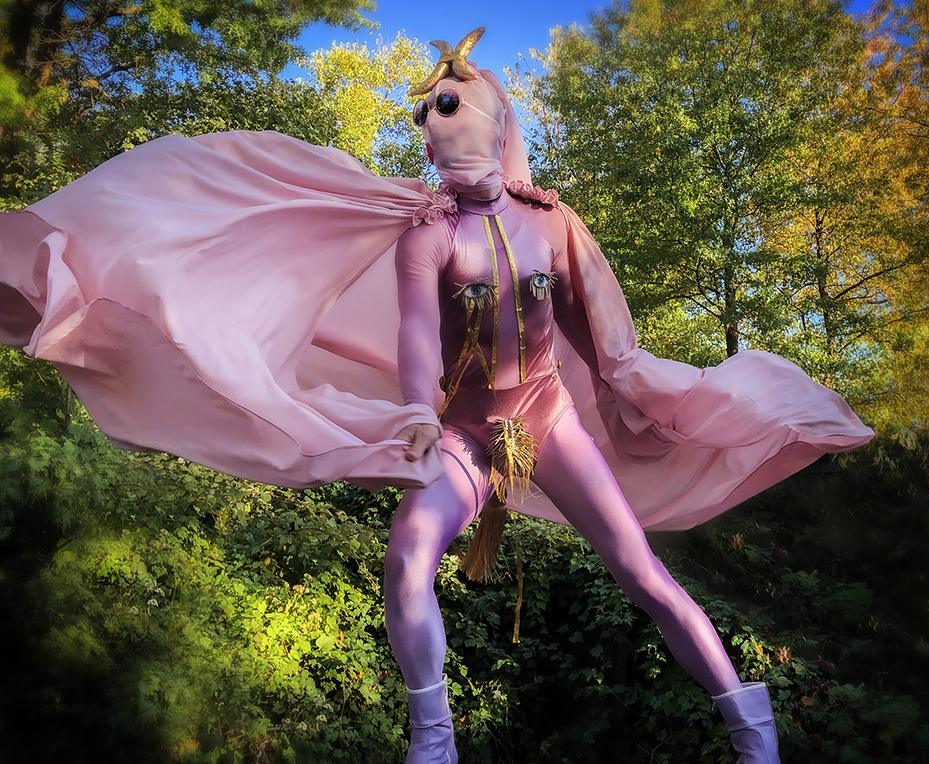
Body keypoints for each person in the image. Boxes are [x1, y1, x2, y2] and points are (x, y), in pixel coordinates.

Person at [0, 27, 873, 764]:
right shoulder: (426, 238)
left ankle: (752, 733)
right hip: (466, 433)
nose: (430, 130)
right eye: (423, 117)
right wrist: (417, 413)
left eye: (445, 109)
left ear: (494, 121)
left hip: (548, 422)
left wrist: (640, 397)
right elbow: (418, 340)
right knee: (409, 554)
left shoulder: (552, 221)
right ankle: (433, 737)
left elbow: (600, 335)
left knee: (641, 571)